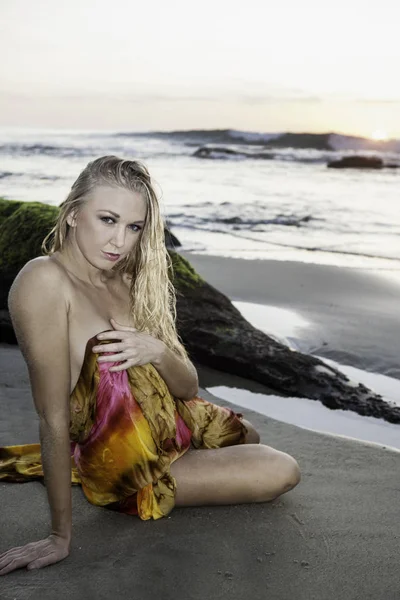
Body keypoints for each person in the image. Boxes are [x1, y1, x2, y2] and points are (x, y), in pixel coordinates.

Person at [0, 156, 301, 576]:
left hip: (165, 415)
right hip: (124, 453)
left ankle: (192, 452)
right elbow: (52, 417)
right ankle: (127, 479)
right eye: (107, 219)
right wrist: (59, 536)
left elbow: (188, 386)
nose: (119, 241)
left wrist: (155, 350)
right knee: (281, 469)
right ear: (71, 215)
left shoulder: (124, 280)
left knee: (248, 433)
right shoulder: (44, 281)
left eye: (134, 227)